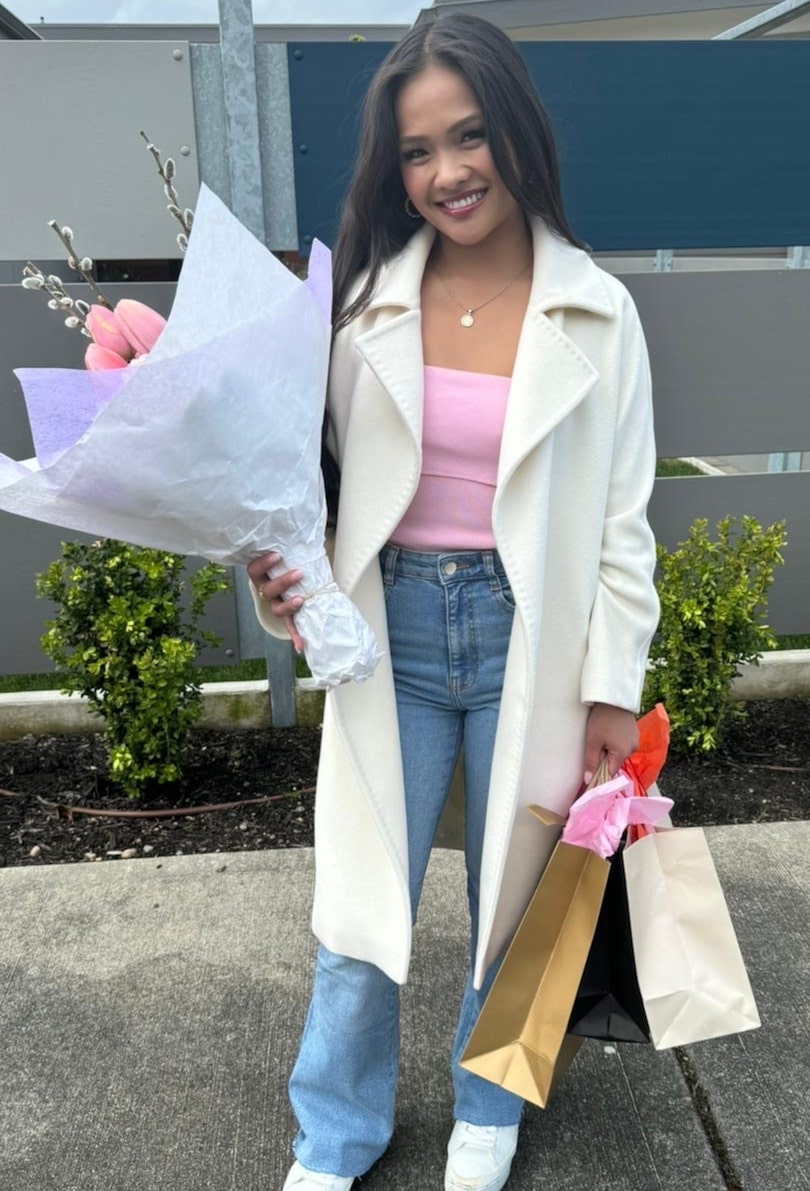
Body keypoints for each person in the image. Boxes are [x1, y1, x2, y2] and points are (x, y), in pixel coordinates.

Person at [246, 13, 659, 1190]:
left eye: (470, 136)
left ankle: (491, 1104)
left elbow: (624, 522)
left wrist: (611, 690)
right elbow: (305, 492)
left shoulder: (599, 312)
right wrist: (281, 575)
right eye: (418, 151)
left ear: (518, 132)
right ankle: (337, 1130)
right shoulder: (360, 305)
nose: (448, 172)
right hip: (394, 634)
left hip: (537, 636)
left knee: (514, 894)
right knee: (359, 895)